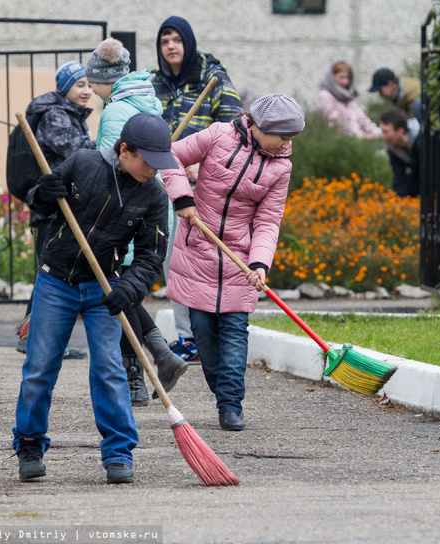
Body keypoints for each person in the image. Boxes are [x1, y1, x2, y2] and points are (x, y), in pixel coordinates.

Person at [12, 112, 175, 484]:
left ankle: (118, 452)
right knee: (39, 368)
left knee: (110, 370)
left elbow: (151, 255)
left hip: (104, 288)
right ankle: (30, 443)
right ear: (125, 150)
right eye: (148, 161)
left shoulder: (153, 195)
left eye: (159, 163)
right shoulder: (84, 163)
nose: (153, 170)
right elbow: (40, 204)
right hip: (55, 282)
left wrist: (128, 290)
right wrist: (44, 194)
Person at [160, 94, 305, 432]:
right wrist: (182, 197)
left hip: (240, 259)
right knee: (205, 340)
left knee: (235, 335)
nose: (287, 144)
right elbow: (171, 155)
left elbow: (269, 221)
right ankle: (221, 392)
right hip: (199, 247)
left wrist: (260, 264)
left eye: (291, 138)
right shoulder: (218, 135)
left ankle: (230, 404)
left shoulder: (281, 166)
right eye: (282, 136)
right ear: (256, 125)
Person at [85, 37, 188, 407]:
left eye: (90, 81)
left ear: (103, 80)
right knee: (124, 290)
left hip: (124, 213)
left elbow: (111, 168)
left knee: (118, 290)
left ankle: (143, 372)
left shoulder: (115, 111)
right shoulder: (145, 100)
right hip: (149, 210)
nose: (89, 88)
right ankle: (155, 361)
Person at [151, 15, 245, 362]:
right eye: (164, 41)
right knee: (170, 260)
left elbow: (235, 132)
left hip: (202, 185)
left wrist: (203, 163)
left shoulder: (214, 79)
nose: (170, 46)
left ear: (188, 43)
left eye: (176, 39)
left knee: (199, 258)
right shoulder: (153, 83)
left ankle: (205, 334)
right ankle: (189, 338)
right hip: (162, 179)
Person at [15, 60, 96, 360]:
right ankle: (32, 338)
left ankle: (33, 337)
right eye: (79, 85)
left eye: (89, 84)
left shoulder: (70, 113)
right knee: (50, 273)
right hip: (50, 205)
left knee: (48, 272)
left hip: (60, 205)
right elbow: (80, 151)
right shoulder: (56, 115)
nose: (86, 90)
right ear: (64, 88)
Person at [316, 60, 380, 139]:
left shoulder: (349, 95)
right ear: (332, 77)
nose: (345, 81)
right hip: (338, 142)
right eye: (341, 77)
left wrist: (379, 133)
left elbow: (361, 118)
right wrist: (361, 136)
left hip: (355, 140)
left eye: (347, 77)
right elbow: (334, 123)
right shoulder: (325, 96)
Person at [379, 108, 421, 198]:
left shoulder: (421, 137)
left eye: (385, 132)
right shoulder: (394, 149)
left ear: (400, 131)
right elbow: (399, 177)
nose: (383, 136)